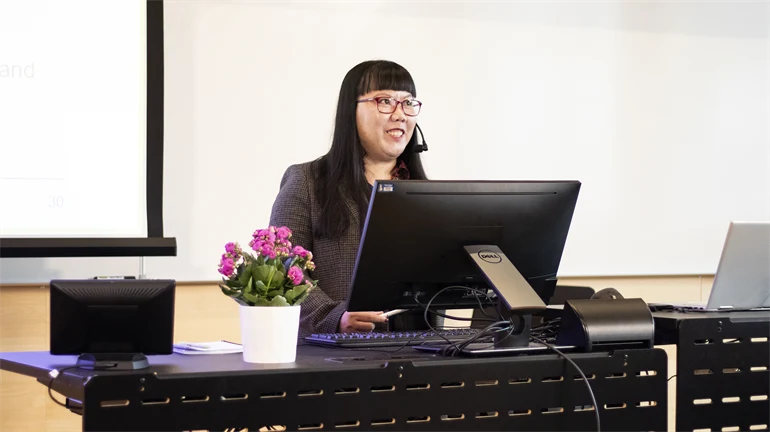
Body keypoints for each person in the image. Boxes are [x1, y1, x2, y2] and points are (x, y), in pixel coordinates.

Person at [269, 60, 428, 337]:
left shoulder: (426, 194)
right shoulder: (307, 181)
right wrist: (333, 317)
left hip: (420, 353)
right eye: (385, 101)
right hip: (334, 358)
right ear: (350, 111)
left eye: (408, 103)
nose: (400, 114)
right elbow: (282, 268)